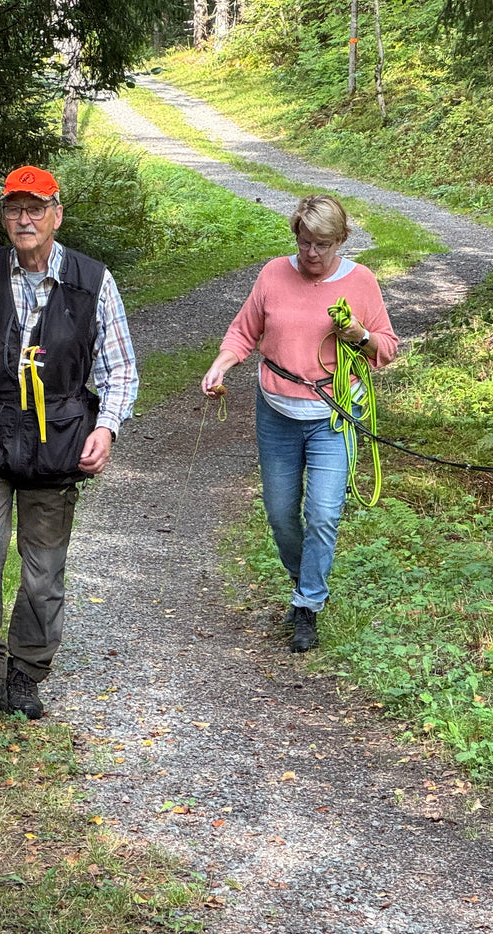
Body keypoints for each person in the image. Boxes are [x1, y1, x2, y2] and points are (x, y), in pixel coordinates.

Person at [0, 165, 139, 722]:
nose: (24, 219)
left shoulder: (92, 280)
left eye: (35, 208)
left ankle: (26, 674)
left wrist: (105, 427)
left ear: (56, 216)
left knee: (44, 568)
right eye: (15, 209)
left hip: (57, 443)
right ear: (4, 217)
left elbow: (120, 369)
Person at [201, 194, 398, 653]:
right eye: (304, 242)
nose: (311, 253)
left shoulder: (362, 282)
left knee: (324, 514)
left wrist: (361, 336)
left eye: (322, 244)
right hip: (277, 411)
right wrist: (221, 365)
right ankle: (303, 577)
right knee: (280, 513)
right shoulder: (273, 273)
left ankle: (308, 603)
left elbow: (386, 348)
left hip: (332, 415)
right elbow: (244, 330)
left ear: (341, 241)